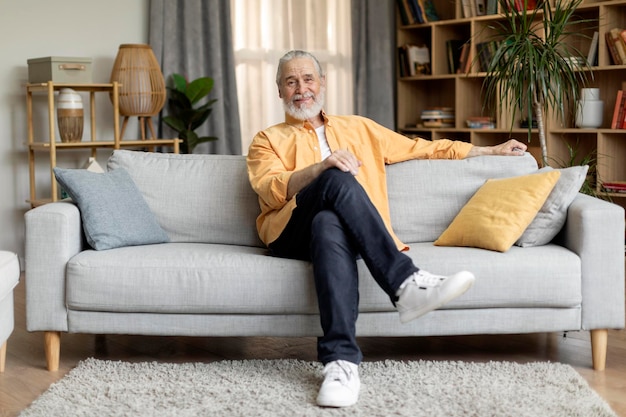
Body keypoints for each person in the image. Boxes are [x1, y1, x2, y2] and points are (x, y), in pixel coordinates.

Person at [246, 50, 527, 408]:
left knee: (328, 223)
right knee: (334, 175)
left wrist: (488, 150)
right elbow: (271, 189)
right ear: (280, 91)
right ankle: (405, 283)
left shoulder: (360, 128)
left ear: (323, 83)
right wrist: (321, 168)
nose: (301, 88)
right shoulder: (266, 139)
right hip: (288, 232)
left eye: (307, 79)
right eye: (291, 81)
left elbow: (422, 148)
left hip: (337, 234)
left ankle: (341, 364)